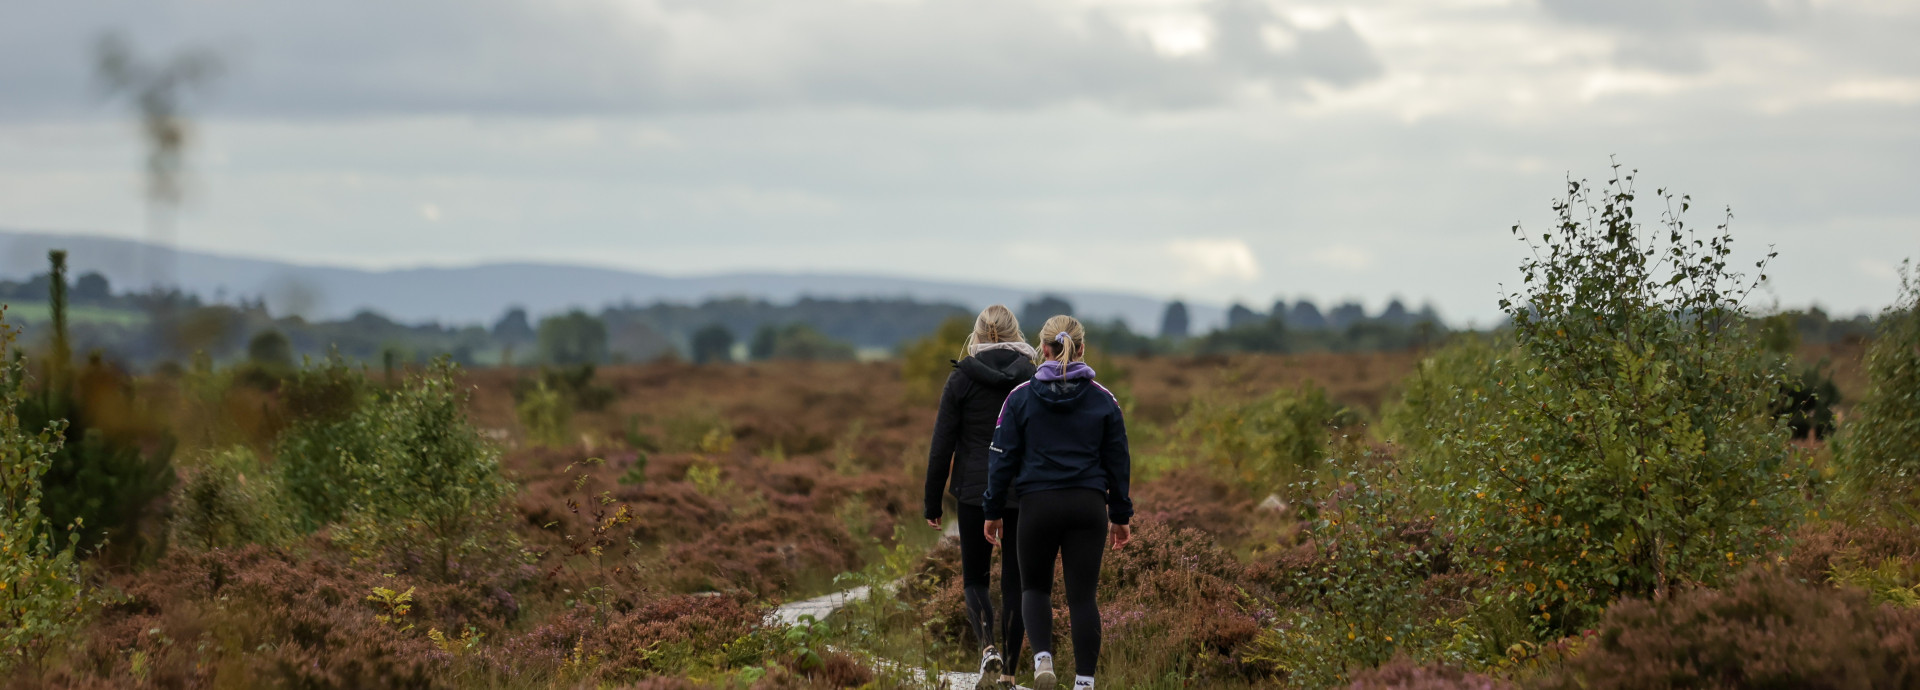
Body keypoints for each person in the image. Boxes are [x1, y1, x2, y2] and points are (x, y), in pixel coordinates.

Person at [983, 315, 1132, 690]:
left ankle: (1042, 661)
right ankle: (1084, 683)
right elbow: (1118, 461)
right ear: (1081, 348)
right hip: (1087, 507)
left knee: (1035, 589)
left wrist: (992, 509)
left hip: (1037, 507)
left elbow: (1001, 458)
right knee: (1083, 598)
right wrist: (1121, 515)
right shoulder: (1104, 399)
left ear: (1043, 349)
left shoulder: (1020, 397)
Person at [924, 305, 1039, 689]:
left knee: (975, 577)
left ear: (976, 334)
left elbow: (941, 446)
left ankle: (987, 647)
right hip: (1022, 490)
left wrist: (932, 501)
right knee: (1016, 581)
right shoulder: (1032, 376)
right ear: (1015, 332)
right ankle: (1008, 672)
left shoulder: (961, 379)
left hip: (974, 491)